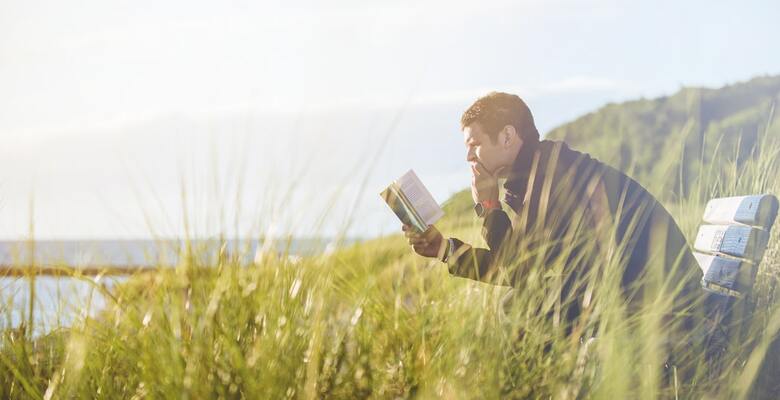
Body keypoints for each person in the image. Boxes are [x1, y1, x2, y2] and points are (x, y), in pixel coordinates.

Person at [402, 92, 706, 348]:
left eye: (474, 143)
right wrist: (443, 248)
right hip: (643, 294)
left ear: (507, 136)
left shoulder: (553, 177)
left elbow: (519, 271)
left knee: (521, 306)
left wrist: (490, 205)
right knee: (522, 303)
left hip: (667, 305)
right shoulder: (539, 172)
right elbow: (519, 266)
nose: (469, 156)